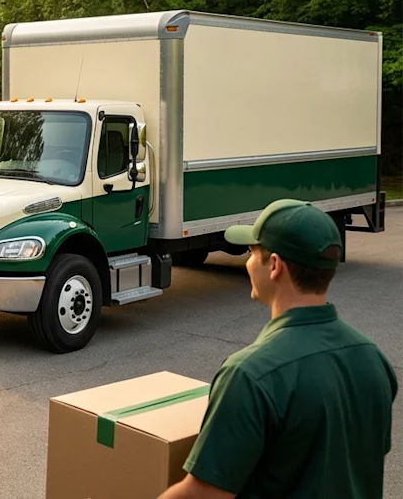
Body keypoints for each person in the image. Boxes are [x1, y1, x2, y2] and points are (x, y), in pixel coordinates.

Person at [159, 199, 397, 499]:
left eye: (251, 252)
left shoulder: (250, 374)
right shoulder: (373, 359)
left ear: (274, 266)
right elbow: (367, 465)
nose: (247, 262)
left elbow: (206, 493)